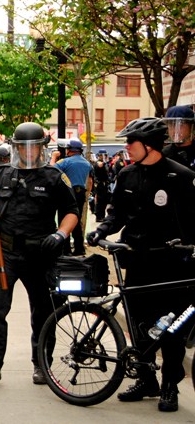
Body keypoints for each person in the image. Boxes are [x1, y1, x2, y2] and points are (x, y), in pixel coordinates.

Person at [86, 117, 195, 412]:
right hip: (136, 260)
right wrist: (102, 230)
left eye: (130, 142)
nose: (126, 148)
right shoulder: (127, 174)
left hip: (173, 264)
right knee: (139, 324)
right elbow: (116, 213)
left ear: (149, 145)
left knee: (171, 329)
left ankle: (170, 385)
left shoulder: (181, 176)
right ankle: (147, 379)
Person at [0, 122, 79, 386]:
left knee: (44, 311)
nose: (28, 152)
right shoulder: (2, 174)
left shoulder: (54, 176)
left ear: (42, 148)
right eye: (23, 147)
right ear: (16, 148)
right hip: (5, 252)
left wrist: (60, 235)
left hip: (41, 253)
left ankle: (42, 365)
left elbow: (71, 212)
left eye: (34, 147)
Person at [50, 138, 93, 255]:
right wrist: (87, 193)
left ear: (70, 150)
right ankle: (79, 248)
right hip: (80, 194)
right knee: (76, 221)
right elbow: (89, 181)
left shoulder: (65, 162)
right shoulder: (87, 163)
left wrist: (54, 157)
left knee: (64, 220)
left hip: (67, 193)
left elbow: (50, 171)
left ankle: (66, 249)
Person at [161, 105, 195, 171]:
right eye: (171, 125)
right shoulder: (163, 154)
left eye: (181, 125)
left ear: (191, 126)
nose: (174, 130)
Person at [92, 149, 111, 222]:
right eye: (103, 155)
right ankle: (99, 216)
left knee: (104, 201)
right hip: (100, 184)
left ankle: (102, 216)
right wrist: (104, 161)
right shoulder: (98, 163)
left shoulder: (104, 163)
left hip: (105, 184)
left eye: (105, 155)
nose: (105, 156)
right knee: (100, 201)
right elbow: (99, 165)